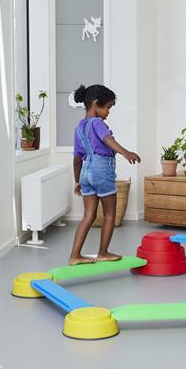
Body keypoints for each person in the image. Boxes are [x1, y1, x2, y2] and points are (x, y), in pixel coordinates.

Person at [69, 84, 140, 266]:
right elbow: (107, 139)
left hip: (85, 171)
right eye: (107, 107)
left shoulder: (79, 127)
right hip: (101, 170)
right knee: (110, 213)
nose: (108, 112)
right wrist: (125, 153)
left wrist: (77, 181)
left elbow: (77, 159)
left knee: (88, 215)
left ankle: (75, 256)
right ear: (95, 104)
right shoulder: (97, 123)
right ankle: (103, 252)